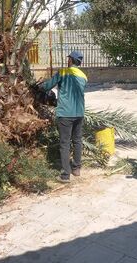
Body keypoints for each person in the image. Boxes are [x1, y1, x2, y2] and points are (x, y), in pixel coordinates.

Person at [41, 50, 87, 183]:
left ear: (71, 60)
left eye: (69, 59)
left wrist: (38, 87)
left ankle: (65, 175)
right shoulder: (84, 76)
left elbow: (48, 86)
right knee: (77, 141)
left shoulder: (63, 72)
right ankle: (77, 169)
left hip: (65, 113)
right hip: (79, 113)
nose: (68, 61)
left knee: (65, 143)